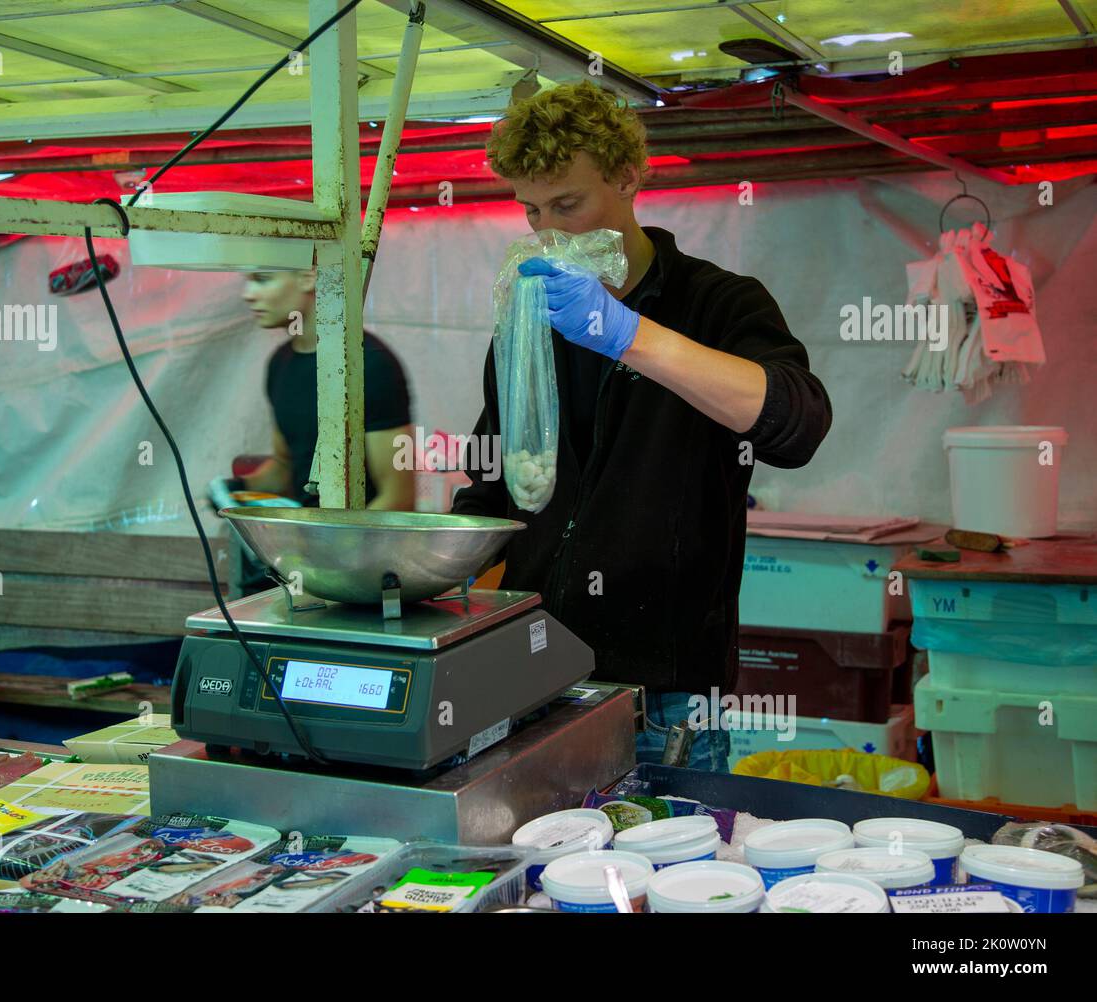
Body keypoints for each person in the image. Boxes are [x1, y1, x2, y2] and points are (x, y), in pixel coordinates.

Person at [451, 81, 832, 771]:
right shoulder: (529, 325)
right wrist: (427, 572)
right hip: (536, 677)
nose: (549, 231)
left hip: (666, 697)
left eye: (569, 204)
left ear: (629, 176)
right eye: (532, 210)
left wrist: (629, 335)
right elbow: (490, 481)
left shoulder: (717, 303)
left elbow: (796, 424)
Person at [209, 269, 417, 590]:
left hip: (364, 576)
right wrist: (236, 488)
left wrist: (330, 553)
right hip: (304, 572)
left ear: (308, 278)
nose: (247, 294)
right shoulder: (280, 364)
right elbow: (285, 466)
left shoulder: (370, 365)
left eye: (263, 279)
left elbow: (399, 498)